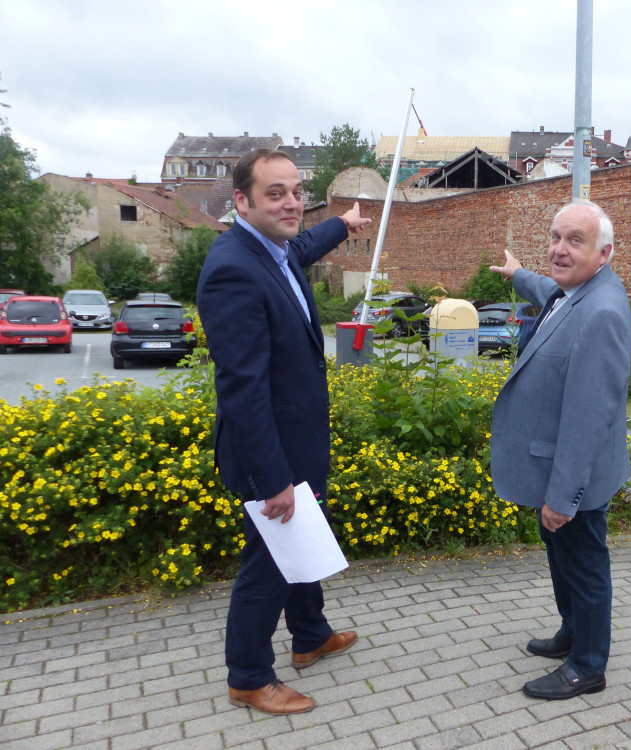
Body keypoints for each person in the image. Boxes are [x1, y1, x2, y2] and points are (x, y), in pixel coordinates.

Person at [197, 148, 372, 715]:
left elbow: (303, 244)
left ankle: (310, 634)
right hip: (266, 453)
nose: (292, 202)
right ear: (242, 201)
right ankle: (248, 675)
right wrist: (273, 479)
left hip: (296, 440)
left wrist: (342, 225)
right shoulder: (233, 269)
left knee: (303, 539)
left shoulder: (275, 249)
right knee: (269, 562)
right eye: (276, 193)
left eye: (297, 190)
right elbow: (242, 390)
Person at [489, 200, 631, 700]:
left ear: (605, 253)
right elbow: (549, 288)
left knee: (585, 566)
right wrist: (516, 273)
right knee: (564, 560)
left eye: (575, 241)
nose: (559, 249)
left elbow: (589, 418)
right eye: (555, 237)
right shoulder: (575, 291)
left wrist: (563, 497)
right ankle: (572, 632)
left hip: (574, 479)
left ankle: (588, 666)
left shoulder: (602, 313)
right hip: (556, 473)